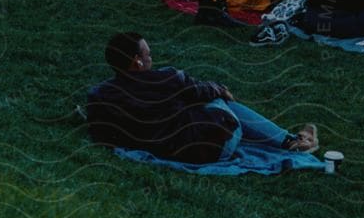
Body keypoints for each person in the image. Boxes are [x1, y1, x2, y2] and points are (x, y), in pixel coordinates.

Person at [87, 33, 319, 165]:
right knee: (221, 104)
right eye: (148, 54)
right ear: (137, 60)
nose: (151, 58)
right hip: (211, 147)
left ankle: (283, 140)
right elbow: (200, 90)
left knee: (191, 101)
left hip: (171, 152)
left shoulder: (100, 96)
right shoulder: (166, 78)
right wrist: (220, 88)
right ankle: (290, 141)